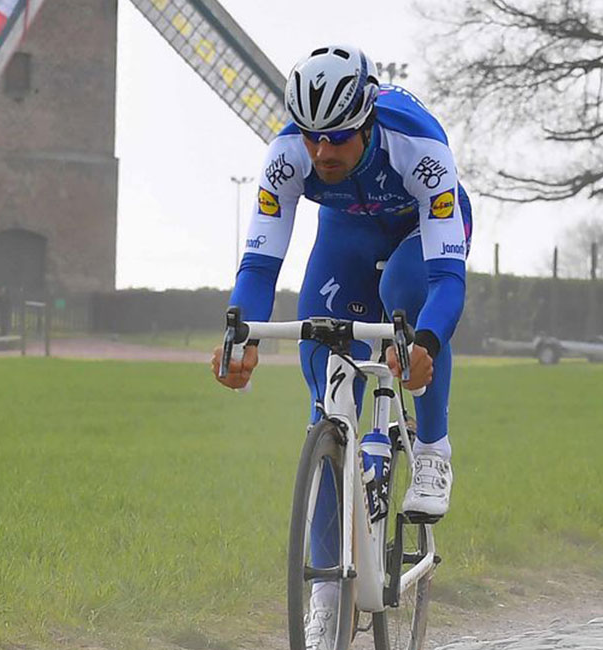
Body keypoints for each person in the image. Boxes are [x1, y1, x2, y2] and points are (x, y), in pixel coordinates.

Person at [207, 45, 471, 648]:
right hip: (345, 237)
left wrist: (425, 341)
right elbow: (259, 261)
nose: (322, 152)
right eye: (311, 137)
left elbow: (446, 280)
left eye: (338, 138)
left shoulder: (419, 148)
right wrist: (238, 334)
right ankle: (326, 591)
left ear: (368, 119)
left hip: (417, 236)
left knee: (405, 293)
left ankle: (432, 448)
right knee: (322, 371)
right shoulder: (286, 158)